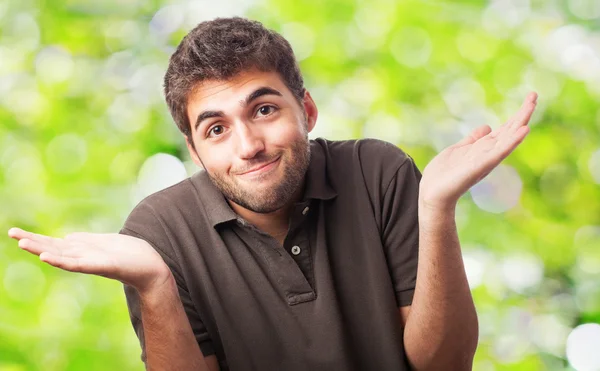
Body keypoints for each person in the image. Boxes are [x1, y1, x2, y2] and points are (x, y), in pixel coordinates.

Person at [8, 16, 538, 371]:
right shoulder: (157, 235)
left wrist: (437, 208)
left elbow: (442, 364)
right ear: (195, 150)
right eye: (216, 129)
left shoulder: (378, 171)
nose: (249, 146)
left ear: (305, 111)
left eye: (264, 110)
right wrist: (154, 285)